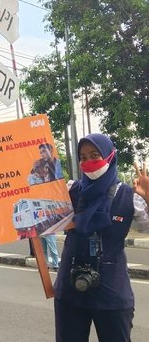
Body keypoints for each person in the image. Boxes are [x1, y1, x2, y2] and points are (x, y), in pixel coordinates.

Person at [53, 133, 149, 342]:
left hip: (111, 293)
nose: (88, 162)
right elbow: (41, 216)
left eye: (95, 155)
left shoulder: (129, 196)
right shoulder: (70, 191)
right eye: (83, 157)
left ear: (110, 155)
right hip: (70, 291)